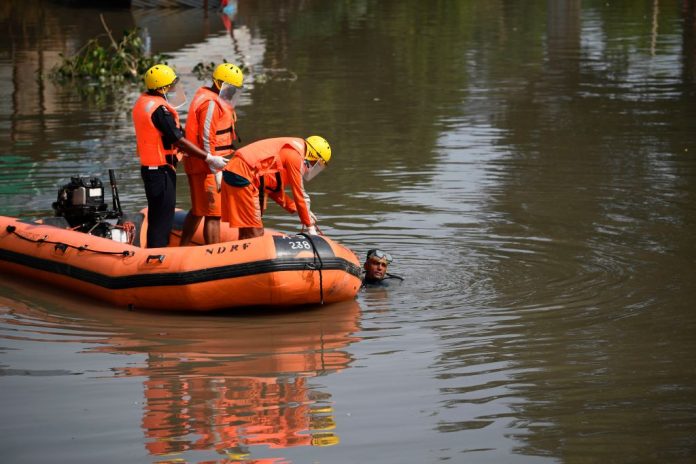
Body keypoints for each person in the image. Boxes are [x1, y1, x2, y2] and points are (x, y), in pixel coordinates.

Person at [132, 64, 228, 248]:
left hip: (152, 169)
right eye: (170, 85)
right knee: (163, 218)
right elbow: (179, 140)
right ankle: (157, 255)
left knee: (158, 215)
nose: (173, 88)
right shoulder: (159, 111)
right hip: (160, 171)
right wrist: (209, 158)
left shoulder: (144, 102)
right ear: (161, 87)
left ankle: (156, 250)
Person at [179, 62, 244, 246]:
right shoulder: (211, 103)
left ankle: (182, 246)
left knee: (199, 210)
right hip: (208, 165)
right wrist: (215, 168)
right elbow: (207, 138)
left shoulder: (212, 98)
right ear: (219, 84)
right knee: (214, 214)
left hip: (208, 162)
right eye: (231, 87)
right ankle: (213, 253)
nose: (233, 91)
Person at [220, 136, 332, 240]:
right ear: (313, 155)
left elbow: (273, 189)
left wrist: (298, 209)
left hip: (235, 170)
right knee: (256, 233)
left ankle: (243, 253)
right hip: (242, 174)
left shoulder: (291, 150)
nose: (312, 168)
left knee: (247, 230)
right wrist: (310, 227)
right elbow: (300, 194)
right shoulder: (295, 156)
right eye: (315, 163)